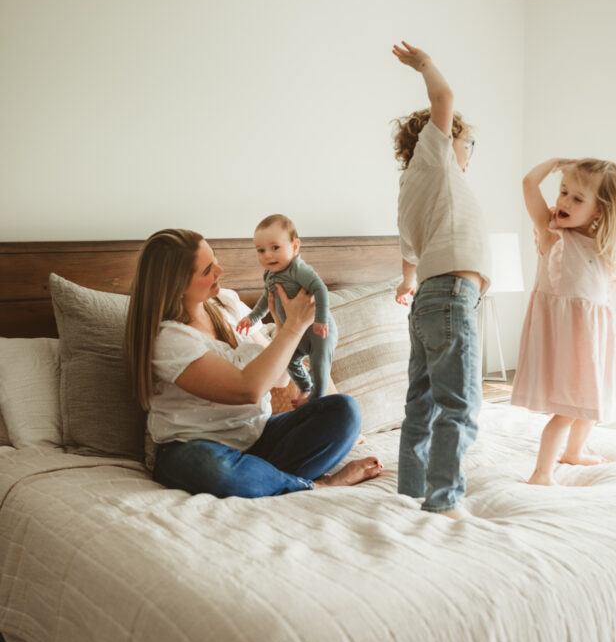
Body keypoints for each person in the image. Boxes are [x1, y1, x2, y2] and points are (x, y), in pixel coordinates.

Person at [125, 228, 382, 499]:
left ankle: (264, 479)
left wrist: (285, 321)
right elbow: (248, 390)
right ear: (175, 285)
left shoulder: (227, 304)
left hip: (257, 438)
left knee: (344, 410)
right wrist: (293, 328)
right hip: (196, 449)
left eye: (215, 260)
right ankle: (315, 485)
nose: (220, 271)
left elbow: (280, 379)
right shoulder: (169, 338)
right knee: (215, 470)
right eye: (207, 270)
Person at [392, 41, 491, 520]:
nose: (467, 152)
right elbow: (444, 100)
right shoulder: (435, 160)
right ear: (442, 139)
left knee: (422, 405)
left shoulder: (410, 188)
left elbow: (410, 255)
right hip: (452, 296)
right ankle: (444, 500)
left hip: (428, 300)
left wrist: (406, 284)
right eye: (465, 142)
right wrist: (425, 65)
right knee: (461, 405)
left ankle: (411, 491)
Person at [510, 157, 616, 485]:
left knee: (590, 402)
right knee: (564, 411)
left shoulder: (608, 245)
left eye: (577, 199)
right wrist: (555, 165)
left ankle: (574, 453)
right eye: (563, 191)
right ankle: (542, 473)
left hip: (592, 339)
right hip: (563, 339)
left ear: (600, 211)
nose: (563, 202)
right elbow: (528, 185)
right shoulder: (553, 236)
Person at [236, 214, 337, 405]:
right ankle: (305, 389)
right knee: (289, 361)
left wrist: (321, 319)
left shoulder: (299, 270)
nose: (267, 255)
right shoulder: (270, 274)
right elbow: (268, 298)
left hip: (319, 331)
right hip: (297, 333)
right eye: (260, 250)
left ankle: (316, 398)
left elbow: (320, 289)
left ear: (295, 246)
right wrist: (253, 317)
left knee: (319, 365)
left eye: (275, 248)